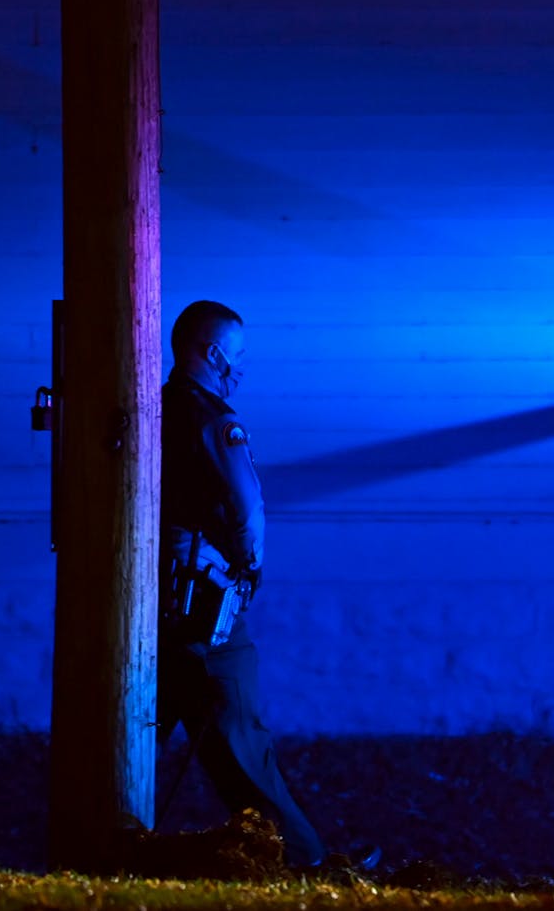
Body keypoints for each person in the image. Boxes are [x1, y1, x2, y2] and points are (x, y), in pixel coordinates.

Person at [157, 300, 378, 871]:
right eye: (239, 354)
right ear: (212, 353)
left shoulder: (154, 410)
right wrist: (250, 569)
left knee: (149, 736)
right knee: (241, 738)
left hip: (157, 603)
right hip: (202, 607)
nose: (242, 366)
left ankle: (110, 847)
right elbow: (247, 507)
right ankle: (306, 863)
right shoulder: (212, 419)